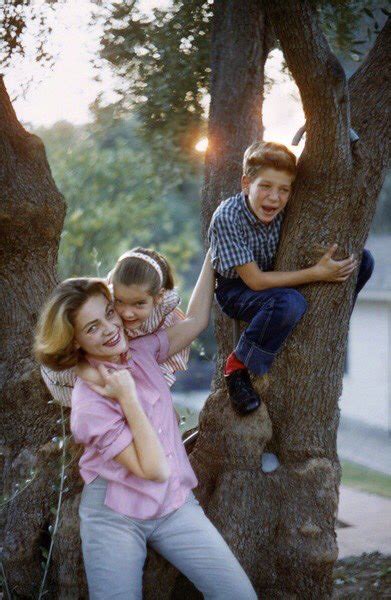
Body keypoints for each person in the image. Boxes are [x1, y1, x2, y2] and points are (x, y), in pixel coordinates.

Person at [34, 254, 257, 600]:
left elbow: (197, 320)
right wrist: (128, 398)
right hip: (115, 515)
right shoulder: (88, 403)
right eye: (92, 327)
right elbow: (152, 469)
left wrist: (215, 252)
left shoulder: (142, 350)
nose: (110, 328)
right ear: (76, 340)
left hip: (174, 504)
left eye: (109, 314)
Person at [208, 141, 374, 415]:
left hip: (278, 275)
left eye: (283, 190)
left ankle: (334, 323)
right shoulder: (228, 216)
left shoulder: (291, 208)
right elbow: (256, 282)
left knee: (363, 261)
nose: (274, 198)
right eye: (265, 186)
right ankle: (238, 367)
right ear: (246, 183)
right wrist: (316, 273)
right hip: (238, 287)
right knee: (289, 303)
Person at [40, 247, 190, 407]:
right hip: (89, 368)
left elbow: (194, 321)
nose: (127, 313)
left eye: (138, 304)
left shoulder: (159, 305)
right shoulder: (103, 300)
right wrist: (96, 377)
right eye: (119, 302)